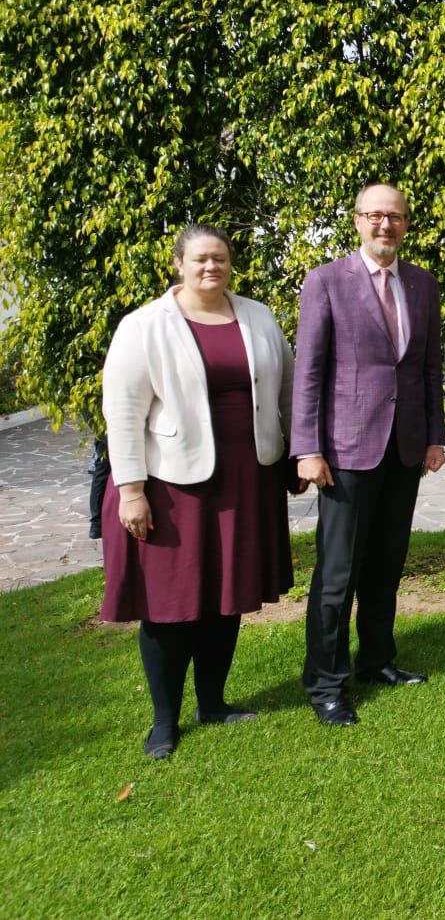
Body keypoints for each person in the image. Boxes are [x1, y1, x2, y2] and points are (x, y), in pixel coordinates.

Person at [100, 224, 296, 758]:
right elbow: (122, 413)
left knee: (225, 596)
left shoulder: (256, 314)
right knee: (169, 605)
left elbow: (285, 384)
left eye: (221, 259)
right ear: (179, 265)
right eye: (201, 259)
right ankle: (164, 720)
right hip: (171, 482)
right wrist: (132, 489)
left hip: (244, 475)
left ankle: (213, 702)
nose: (212, 267)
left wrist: (294, 449)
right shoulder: (144, 326)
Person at [293, 184, 445, 727]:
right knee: (338, 573)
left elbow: (428, 368)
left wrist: (434, 435)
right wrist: (306, 448)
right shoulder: (327, 281)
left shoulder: (422, 285)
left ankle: (377, 660)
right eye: (376, 216)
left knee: (385, 566)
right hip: (346, 450)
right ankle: (326, 683)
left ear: (406, 224)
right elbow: (308, 370)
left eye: (396, 217)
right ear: (358, 221)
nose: (386, 225)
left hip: (403, 449)